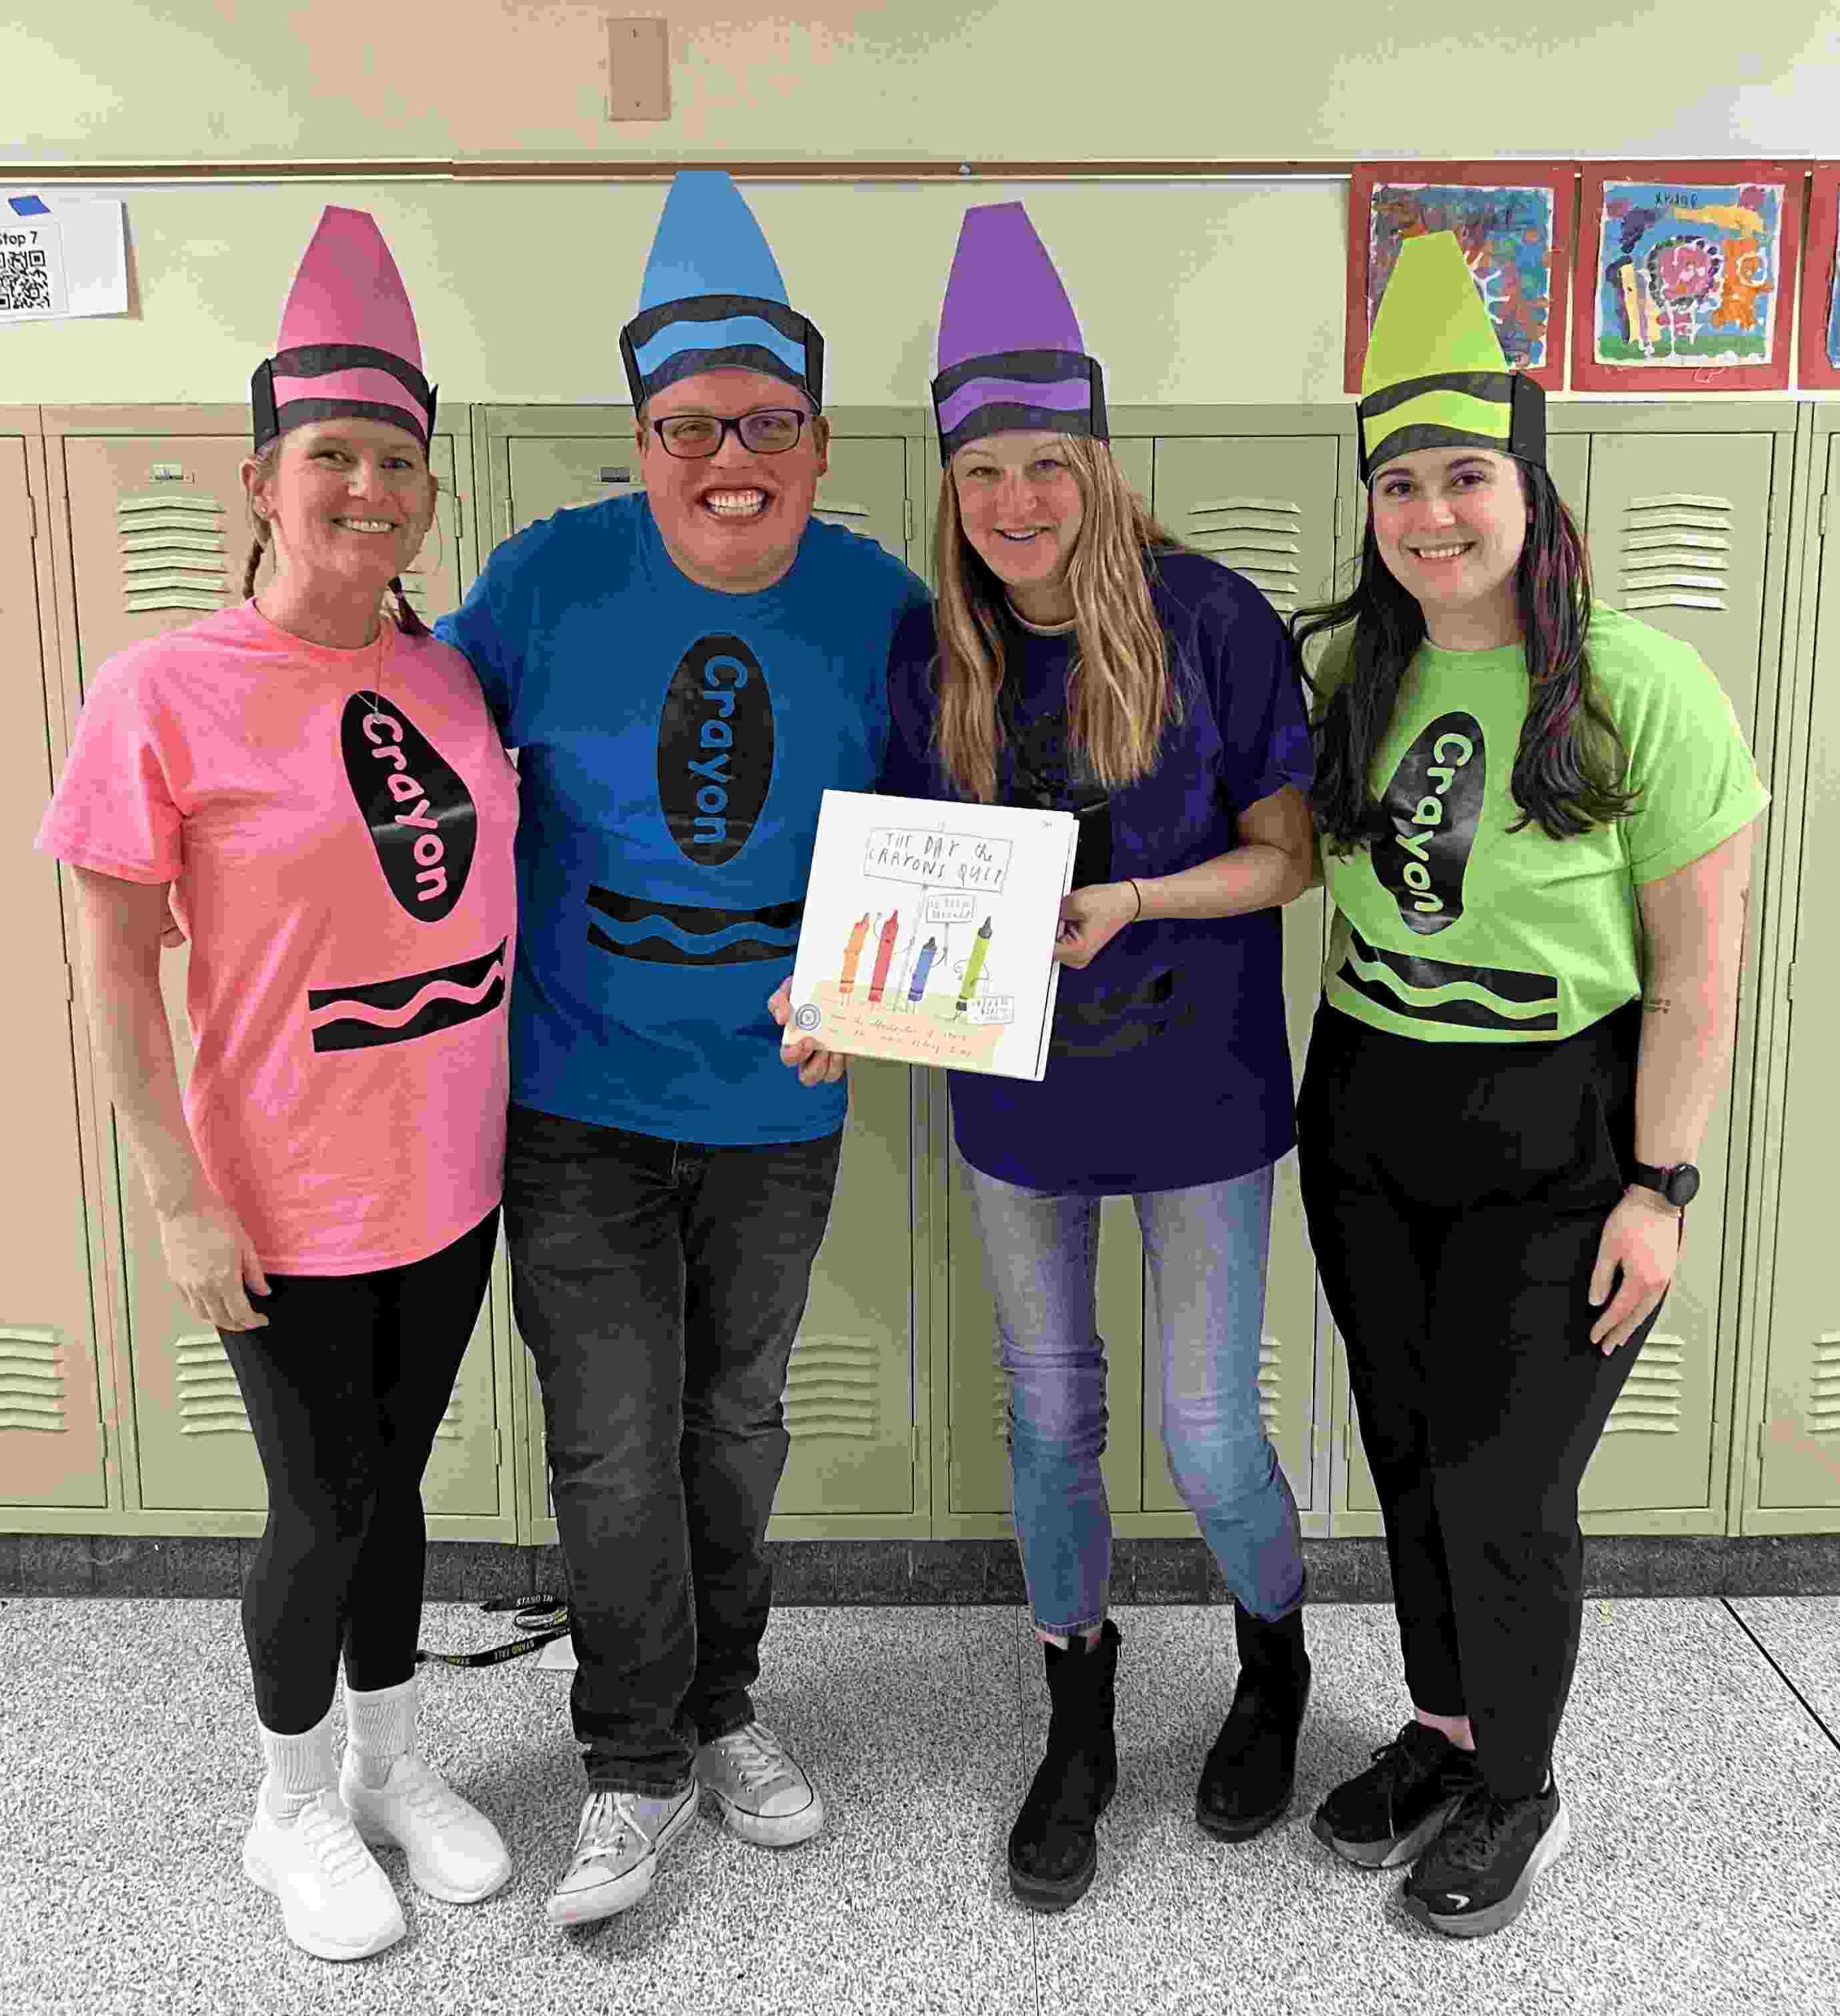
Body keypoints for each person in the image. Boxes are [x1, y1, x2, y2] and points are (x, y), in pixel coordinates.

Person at [781, 202, 1317, 1910]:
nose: (1014, 503)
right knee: (1050, 1411)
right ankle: (1072, 1714)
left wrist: (1131, 896)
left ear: (1091, 459)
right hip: (1013, 1098)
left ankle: (1272, 1670)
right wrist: (827, 1002)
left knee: (1202, 1423)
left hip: (1202, 1090)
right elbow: (890, 880)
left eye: (1043, 464)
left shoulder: (1213, 615)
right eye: (982, 472)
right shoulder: (926, 647)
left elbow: (1287, 853)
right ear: (950, 483)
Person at [433, 171, 930, 1928]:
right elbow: (421, 773)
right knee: (612, 1440)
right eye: (690, 423)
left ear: (816, 434)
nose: (733, 453)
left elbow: (943, 842)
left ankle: (726, 1704)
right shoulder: (543, 578)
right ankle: (632, 1762)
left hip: (772, 1102)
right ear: (640, 437)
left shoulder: (880, 603)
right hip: (572, 1098)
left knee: (734, 1422)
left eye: (769, 421)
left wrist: (861, 998)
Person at [36, 207, 518, 1962]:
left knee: (397, 1482)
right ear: (260, 477)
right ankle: (290, 1806)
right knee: (320, 1494)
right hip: (279, 1192)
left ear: (427, 491)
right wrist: (174, 1191)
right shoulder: (159, 688)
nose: (369, 486)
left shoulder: (448, 672)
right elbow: (108, 966)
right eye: (334, 455)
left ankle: (392, 1761)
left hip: (447, 1175)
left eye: (398, 459)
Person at [1293, 232, 1766, 1938]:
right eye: (1400, 482)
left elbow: (1700, 971)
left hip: (1560, 1133)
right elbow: (1260, 848)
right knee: (1407, 1447)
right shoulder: (1346, 671)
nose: (1431, 513)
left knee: (1507, 1483)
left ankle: (1519, 1782)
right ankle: (1441, 1726)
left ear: (1528, 483)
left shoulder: (1637, 683)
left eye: (1465, 475)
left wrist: (1663, 1185)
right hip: (1362, 1108)